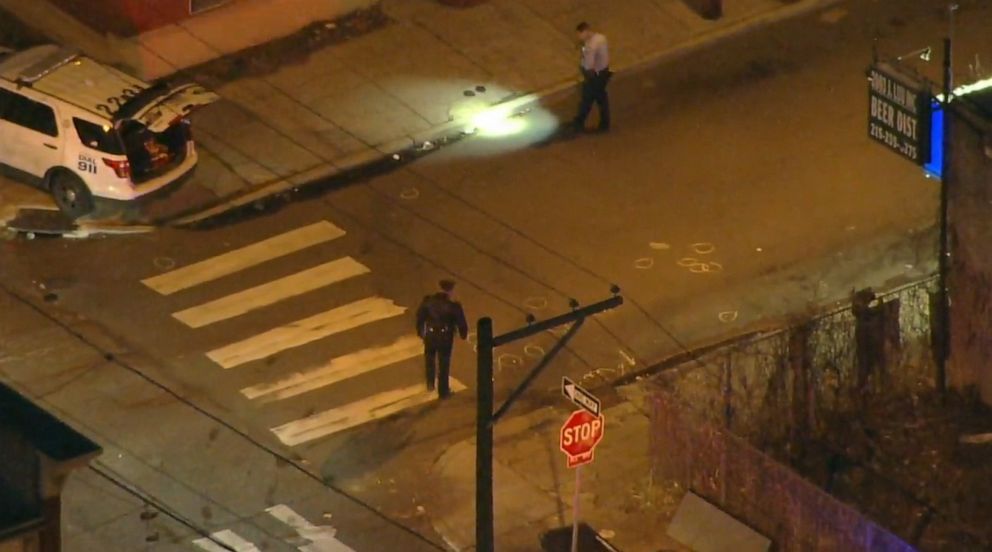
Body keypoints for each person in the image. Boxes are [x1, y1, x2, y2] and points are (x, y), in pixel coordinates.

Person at [416, 279, 468, 399]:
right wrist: (463, 334)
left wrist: (420, 331)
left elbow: (420, 317)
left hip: (430, 335)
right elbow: (461, 322)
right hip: (445, 337)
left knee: (429, 358)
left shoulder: (428, 301)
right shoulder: (454, 306)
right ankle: (443, 390)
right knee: (444, 363)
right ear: (450, 291)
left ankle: (430, 383)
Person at [572, 22, 611, 133]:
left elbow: (588, 64)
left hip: (595, 75)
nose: (579, 37)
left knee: (588, 98)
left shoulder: (591, 46)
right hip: (603, 71)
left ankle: (580, 122)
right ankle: (604, 123)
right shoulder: (601, 38)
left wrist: (586, 73)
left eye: (580, 34)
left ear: (585, 31)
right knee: (600, 98)